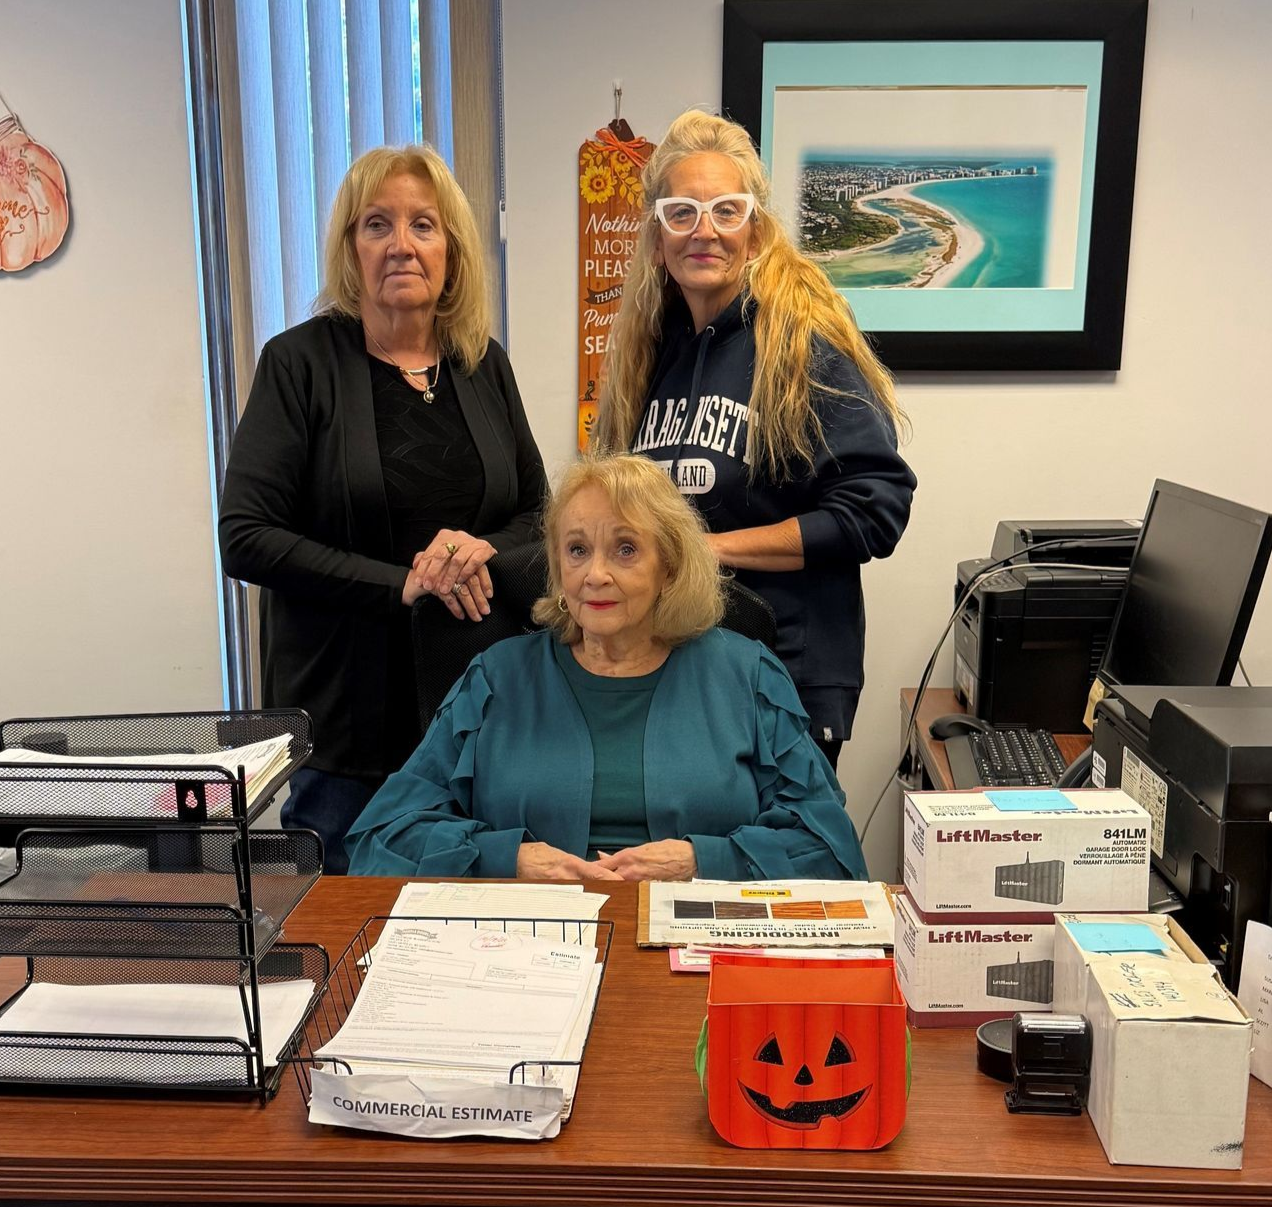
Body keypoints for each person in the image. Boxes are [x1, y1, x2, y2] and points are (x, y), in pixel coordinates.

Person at [219, 145, 546, 873]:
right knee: (348, 947)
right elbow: (245, 537)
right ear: (350, 249)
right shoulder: (298, 365)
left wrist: (477, 549)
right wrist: (401, 583)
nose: (402, 244)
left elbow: (539, 517)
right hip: (345, 729)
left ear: (451, 251)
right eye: (377, 225)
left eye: (423, 225)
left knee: (473, 936)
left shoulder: (483, 362)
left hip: (477, 719)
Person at [346, 453, 867, 882]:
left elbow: (830, 847)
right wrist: (509, 860)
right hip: (527, 948)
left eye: (624, 549)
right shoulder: (496, 678)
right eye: (577, 550)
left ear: (668, 566)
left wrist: (699, 862)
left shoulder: (747, 674)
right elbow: (381, 838)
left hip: (695, 953)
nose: (595, 574)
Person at [595, 109, 915, 770]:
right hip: (681, 677)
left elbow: (876, 508)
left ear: (757, 231)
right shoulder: (652, 359)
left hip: (786, 682)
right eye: (681, 213)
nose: (703, 231)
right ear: (658, 239)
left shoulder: (802, 344)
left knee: (768, 872)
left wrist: (707, 551)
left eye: (726, 210)